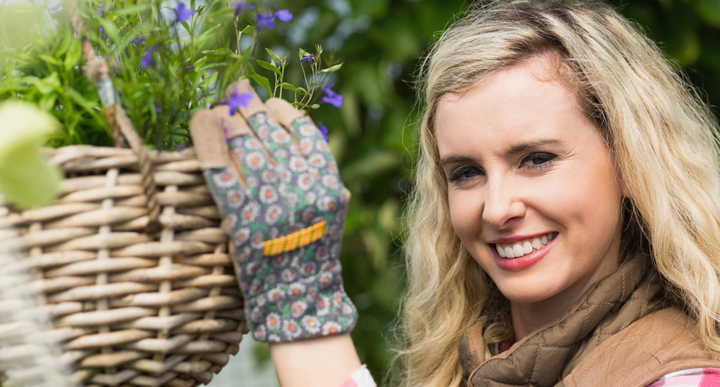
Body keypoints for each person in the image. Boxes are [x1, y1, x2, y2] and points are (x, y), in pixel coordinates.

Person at [189, 1, 720, 386]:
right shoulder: (475, 360)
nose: (496, 208)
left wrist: (304, 310)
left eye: (536, 159)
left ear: (630, 162)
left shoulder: (681, 376)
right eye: (465, 172)